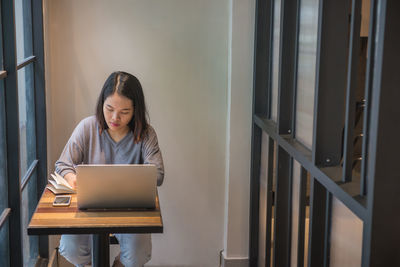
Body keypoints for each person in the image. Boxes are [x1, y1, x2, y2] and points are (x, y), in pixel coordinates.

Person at [55, 71, 164, 267]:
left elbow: (157, 174)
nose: (115, 117)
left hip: (131, 210)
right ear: (101, 104)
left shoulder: (146, 133)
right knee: (71, 246)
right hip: (88, 208)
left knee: (137, 253)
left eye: (124, 112)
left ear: (135, 111)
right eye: (109, 108)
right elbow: (63, 164)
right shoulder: (87, 127)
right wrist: (73, 178)